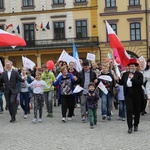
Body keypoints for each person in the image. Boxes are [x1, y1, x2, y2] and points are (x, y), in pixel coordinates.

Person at [117, 58, 143, 134]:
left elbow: (139, 83)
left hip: (137, 94)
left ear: (136, 67)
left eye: (133, 66)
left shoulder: (139, 74)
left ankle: (136, 124)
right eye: (130, 66)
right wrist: (117, 80)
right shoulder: (125, 74)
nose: (131, 67)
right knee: (129, 110)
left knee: (137, 110)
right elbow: (122, 83)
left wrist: (132, 79)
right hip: (128, 94)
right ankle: (129, 127)